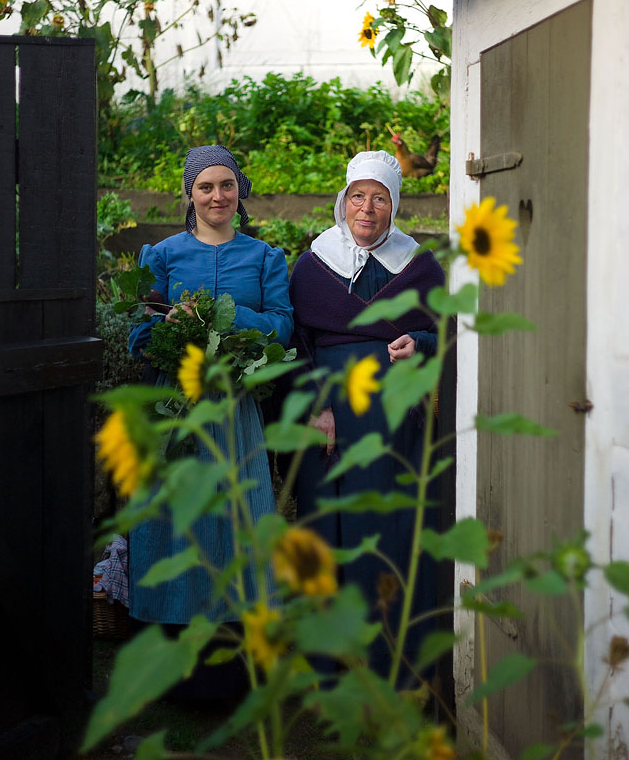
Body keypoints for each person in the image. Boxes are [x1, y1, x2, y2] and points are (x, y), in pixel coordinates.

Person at [127, 145, 294, 697]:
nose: (217, 196)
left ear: (240, 191)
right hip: (176, 406)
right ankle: (173, 668)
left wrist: (223, 313)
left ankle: (237, 670)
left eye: (227, 185)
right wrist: (169, 323)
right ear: (189, 195)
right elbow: (138, 335)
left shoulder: (265, 258)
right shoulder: (163, 255)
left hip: (232, 406)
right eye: (206, 187)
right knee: (171, 522)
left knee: (235, 518)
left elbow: (282, 330)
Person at [289, 150, 445, 682]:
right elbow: (297, 342)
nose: (367, 208)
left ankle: (394, 663)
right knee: (328, 530)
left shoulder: (419, 266)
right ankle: (329, 667)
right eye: (358, 195)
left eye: (379, 198)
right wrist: (317, 406)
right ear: (343, 201)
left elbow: (446, 335)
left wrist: (419, 342)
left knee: (389, 528)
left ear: (394, 206)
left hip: (391, 416)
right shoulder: (312, 265)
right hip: (329, 417)